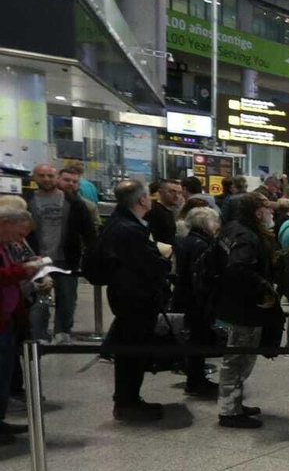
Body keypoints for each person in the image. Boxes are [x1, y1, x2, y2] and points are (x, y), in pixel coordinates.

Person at [103, 181, 171, 421]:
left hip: (128, 294)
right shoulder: (129, 229)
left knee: (132, 350)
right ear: (142, 200)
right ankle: (127, 401)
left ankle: (129, 398)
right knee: (132, 351)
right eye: (148, 196)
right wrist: (165, 260)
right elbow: (149, 263)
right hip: (135, 297)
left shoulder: (119, 223)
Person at [212, 193, 280, 429]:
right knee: (238, 360)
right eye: (268, 208)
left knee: (238, 358)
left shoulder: (231, 228)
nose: (271, 212)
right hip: (244, 308)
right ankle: (229, 411)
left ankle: (235, 403)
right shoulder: (247, 237)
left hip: (232, 304)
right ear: (258, 212)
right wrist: (264, 288)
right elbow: (238, 268)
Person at [26, 162, 97, 343]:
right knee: (39, 301)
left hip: (66, 259)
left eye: (50, 176)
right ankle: (39, 336)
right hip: (37, 260)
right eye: (42, 175)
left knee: (67, 299)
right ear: (34, 177)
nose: (46, 179)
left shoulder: (75, 203)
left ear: (56, 177)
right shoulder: (27, 202)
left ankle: (63, 333)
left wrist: (91, 257)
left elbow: (89, 232)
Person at [0, 209, 46, 441]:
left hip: (8, 318)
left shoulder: (5, 247)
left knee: (5, 372)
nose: (20, 240)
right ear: (5, 223)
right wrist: (21, 270)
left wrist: (26, 265)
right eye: (19, 234)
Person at [171, 205, 220, 397]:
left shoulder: (185, 240)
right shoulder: (201, 245)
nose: (216, 225)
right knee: (197, 339)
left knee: (194, 339)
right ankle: (195, 381)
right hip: (196, 300)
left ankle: (196, 378)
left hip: (185, 296)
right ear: (205, 223)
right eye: (214, 221)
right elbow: (199, 276)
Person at [147, 178, 182, 246]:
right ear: (160, 192)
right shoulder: (155, 211)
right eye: (172, 192)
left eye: (179, 193)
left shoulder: (168, 211)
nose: (177, 196)